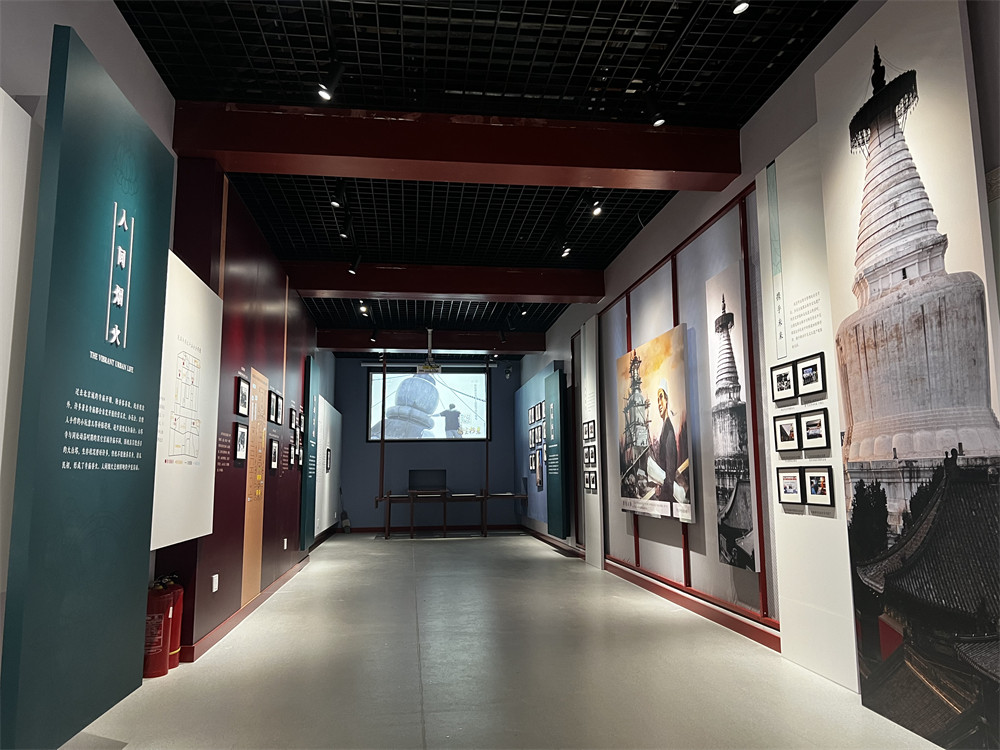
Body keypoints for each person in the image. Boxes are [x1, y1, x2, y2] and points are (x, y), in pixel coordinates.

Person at [656, 381, 677, 497]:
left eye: (661, 397)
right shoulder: (664, 428)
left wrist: (662, 491)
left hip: (667, 497)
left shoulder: (668, 431)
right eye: (657, 400)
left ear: (667, 399)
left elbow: (669, 473)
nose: (659, 403)